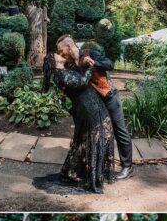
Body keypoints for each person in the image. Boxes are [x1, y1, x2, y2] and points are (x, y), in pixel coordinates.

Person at [57, 35, 133, 180]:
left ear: (68, 46)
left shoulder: (89, 52)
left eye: (61, 50)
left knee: (120, 131)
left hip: (110, 98)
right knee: (103, 134)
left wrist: (94, 62)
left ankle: (127, 167)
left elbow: (109, 64)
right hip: (95, 105)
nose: (61, 54)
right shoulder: (70, 65)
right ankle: (101, 167)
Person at [43, 51, 116, 193]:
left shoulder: (64, 71)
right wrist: (89, 67)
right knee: (97, 138)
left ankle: (78, 171)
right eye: (56, 54)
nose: (60, 55)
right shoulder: (60, 74)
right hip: (88, 108)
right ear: (53, 61)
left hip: (92, 105)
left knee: (90, 139)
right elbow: (82, 82)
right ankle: (91, 175)